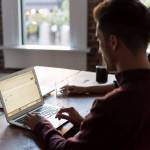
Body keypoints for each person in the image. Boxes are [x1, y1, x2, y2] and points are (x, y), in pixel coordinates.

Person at [25, 0, 150, 149]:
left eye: (99, 39)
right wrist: (87, 124)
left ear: (113, 42)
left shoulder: (111, 106)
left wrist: (42, 125)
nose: (99, 50)